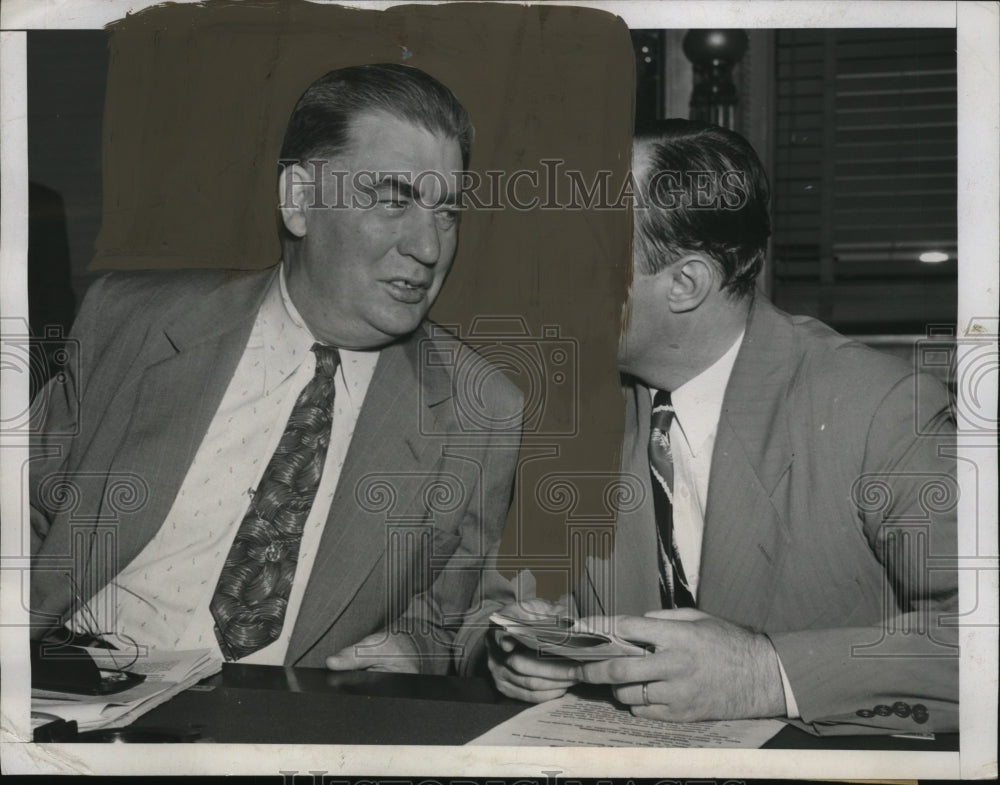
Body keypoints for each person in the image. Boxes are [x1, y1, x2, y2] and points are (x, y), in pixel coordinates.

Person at [29, 64, 523, 675]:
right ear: (298, 201)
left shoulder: (479, 409)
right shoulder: (132, 322)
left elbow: (453, 614)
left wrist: (418, 650)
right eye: (393, 201)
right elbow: (21, 513)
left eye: (446, 212)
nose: (428, 247)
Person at [486, 120, 958, 735]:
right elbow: (497, 599)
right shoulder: (568, 404)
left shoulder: (882, 409)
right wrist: (520, 649)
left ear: (686, 284)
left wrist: (763, 674)